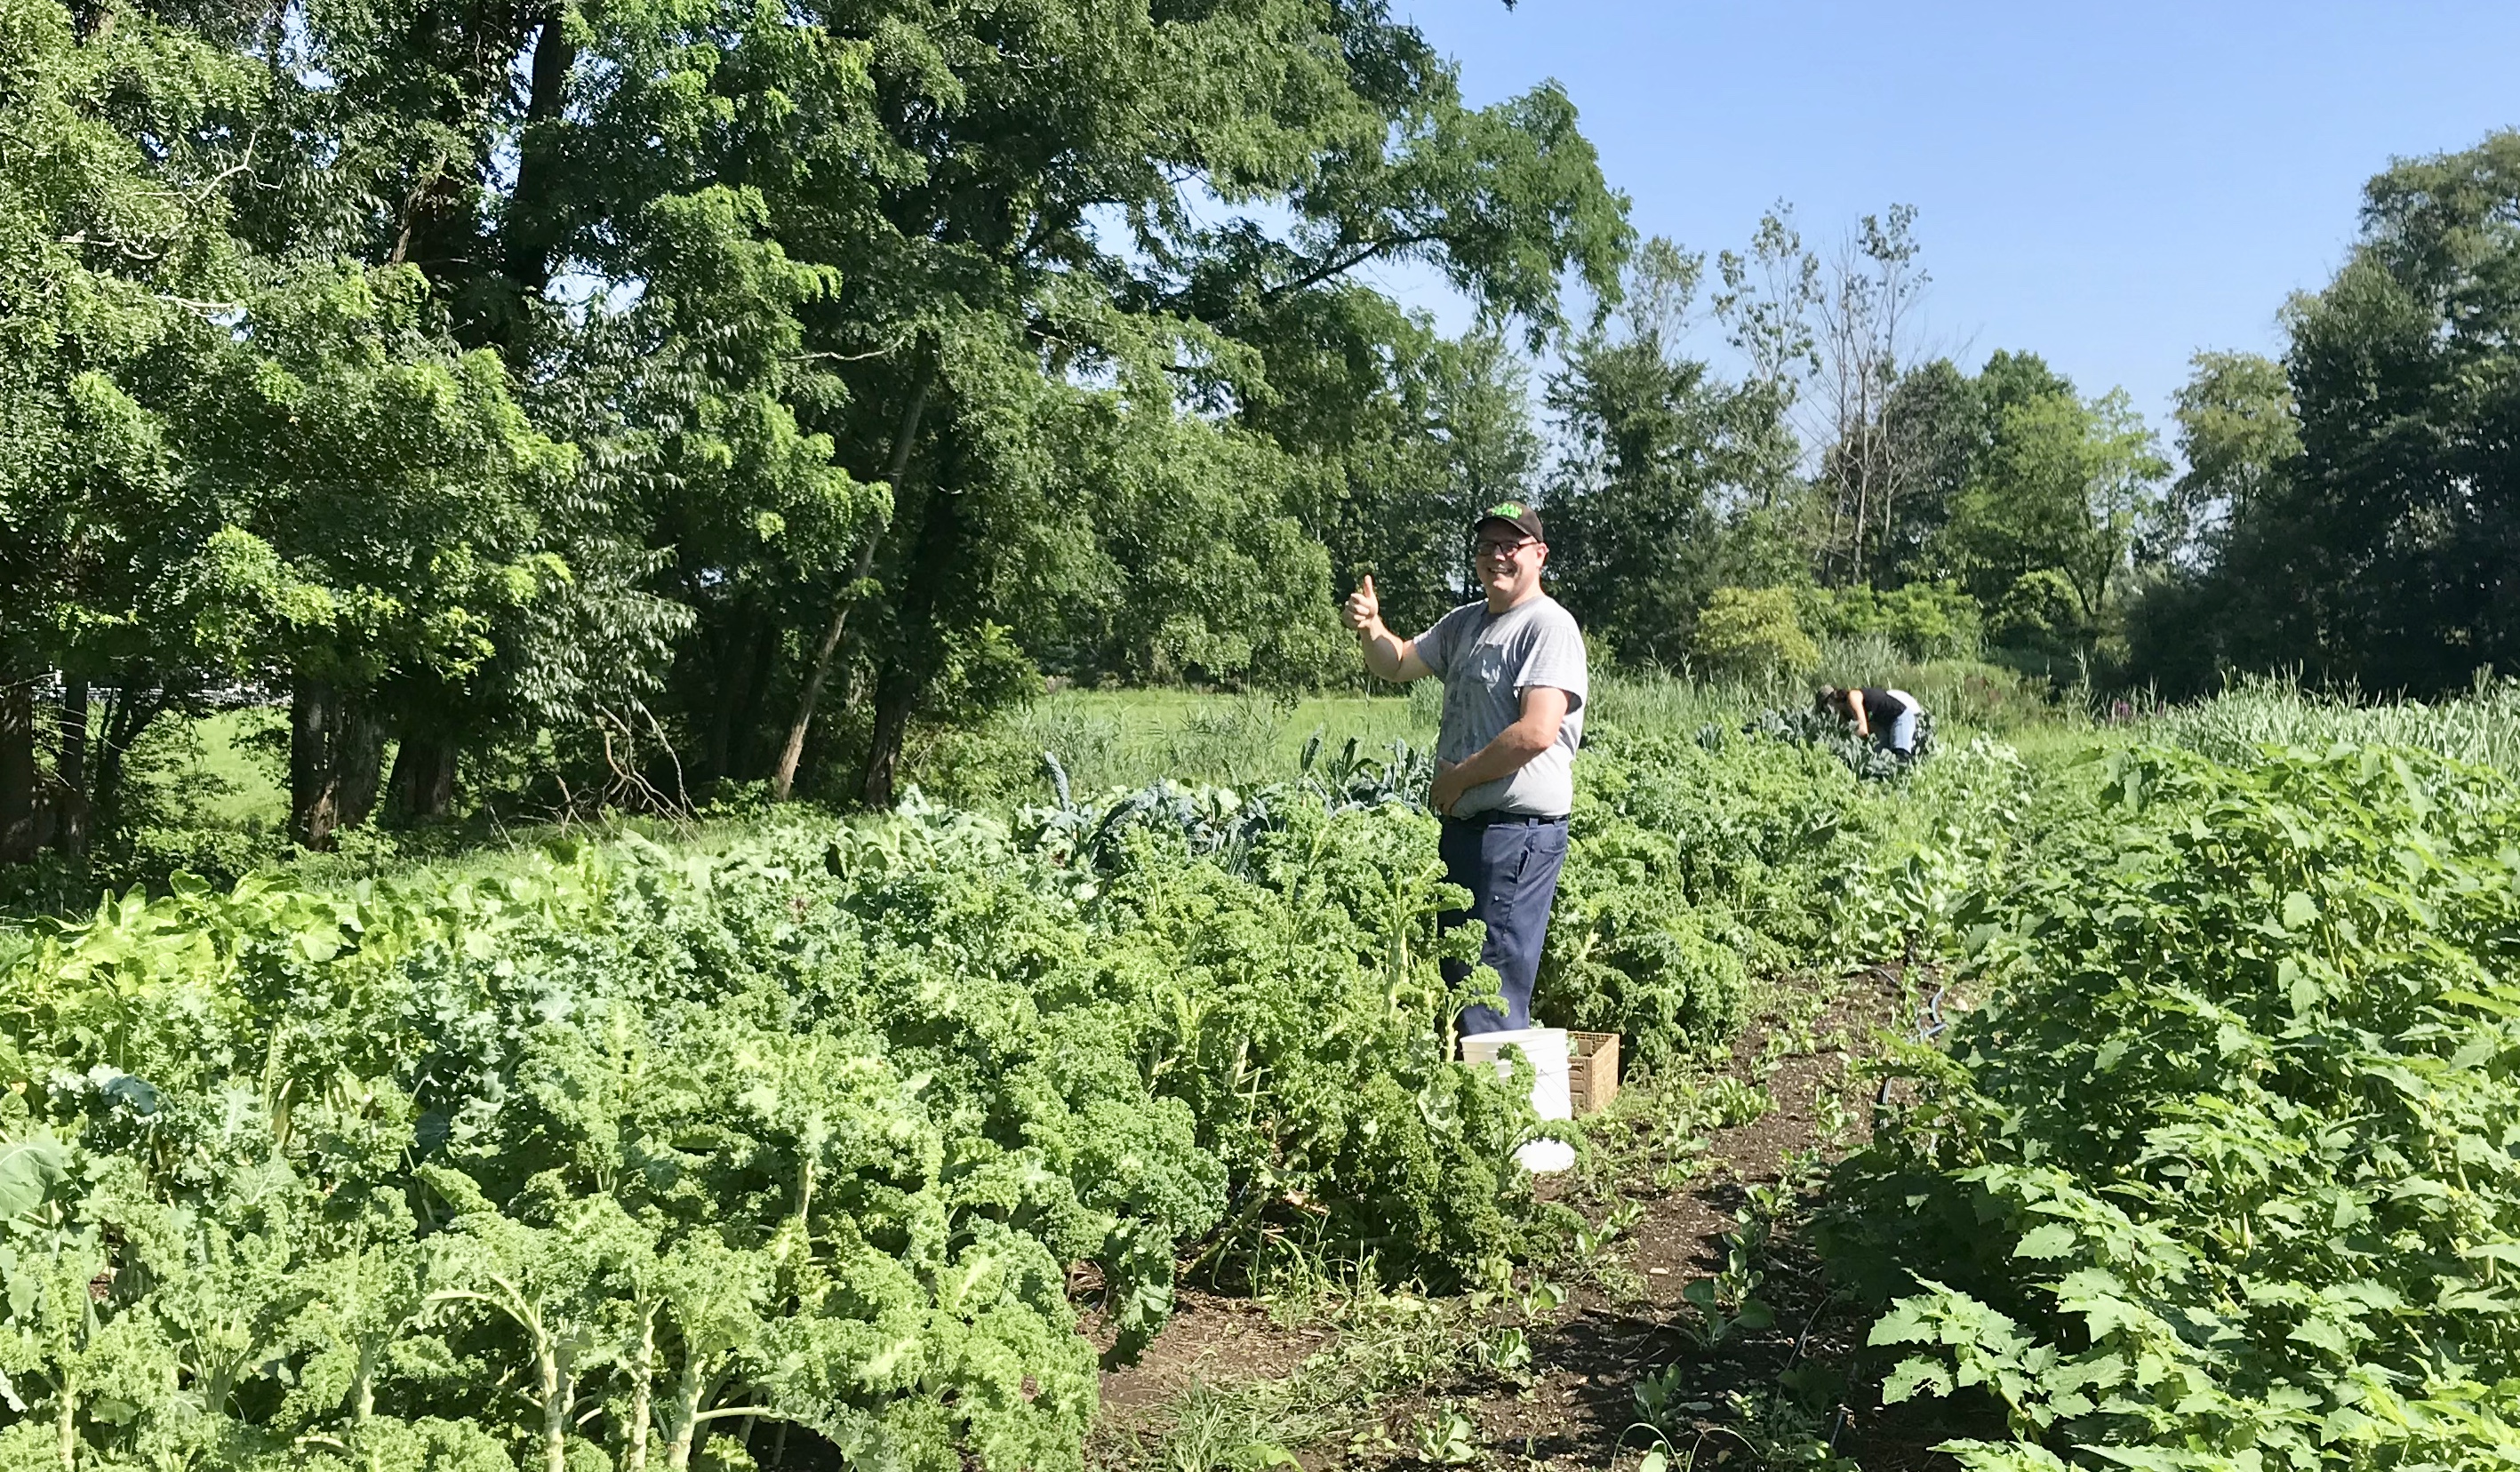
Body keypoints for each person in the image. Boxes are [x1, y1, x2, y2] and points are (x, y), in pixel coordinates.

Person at [1340, 500, 1588, 1037]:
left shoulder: (1548, 627)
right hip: (1469, 830)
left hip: (1515, 836)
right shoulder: (1467, 622)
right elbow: (1399, 663)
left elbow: (1537, 731)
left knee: (1487, 991)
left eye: (1510, 546)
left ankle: (1509, 1117)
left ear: (1538, 555)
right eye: (1486, 547)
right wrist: (1371, 626)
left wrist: (1458, 778)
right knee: (1464, 980)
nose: (1496, 556)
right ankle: (1489, 1109)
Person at [1816, 684, 1925, 757]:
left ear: (1831, 700)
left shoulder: (1853, 697)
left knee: (1901, 757)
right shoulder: (1845, 714)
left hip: (1899, 717)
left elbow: (1863, 730)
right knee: (1886, 762)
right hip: (1885, 727)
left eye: (1825, 707)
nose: (1828, 712)